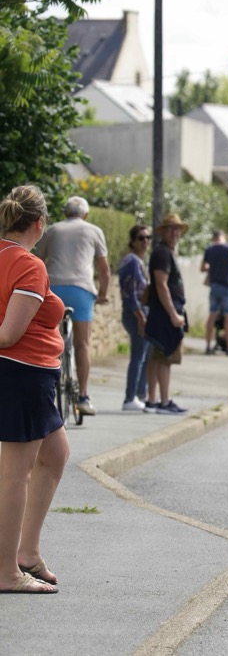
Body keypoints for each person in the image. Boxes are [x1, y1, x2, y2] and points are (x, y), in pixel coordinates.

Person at [0, 185, 70, 594]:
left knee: (55, 454)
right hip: (22, 374)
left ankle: (27, 553)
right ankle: (6, 571)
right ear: (40, 223)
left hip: (31, 377)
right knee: (15, 474)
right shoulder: (28, 265)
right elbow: (9, 334)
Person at [33, 195, 108, 417]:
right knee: (82, 344)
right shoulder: (94, 231)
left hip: (54, 289)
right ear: (86, 214)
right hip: (81, 290)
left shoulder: (52, 230)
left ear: (65, 213)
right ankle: (83, 397)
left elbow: (36, 261)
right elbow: (104, 270)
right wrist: (102, 294)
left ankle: (47, 393)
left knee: (50, 341)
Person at [144, 213, 191, 415]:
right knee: (166, 357)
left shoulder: (165, 252)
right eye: (171, 228)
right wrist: (173, 314)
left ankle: (152, 400)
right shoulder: (163, 253)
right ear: (163, 231)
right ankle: (164, 401)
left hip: (163, 312)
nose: (175, 232)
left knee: (158, 356)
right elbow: (161, 285)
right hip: (164, 314)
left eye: (177, 229)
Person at [117, 225, 152, 410]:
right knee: (138, 356)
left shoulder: (138, 261)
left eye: (148, 237)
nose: (145, 241)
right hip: (135, 314)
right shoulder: (131, 262)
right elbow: (130, 293)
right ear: (132, 241)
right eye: (141, 238)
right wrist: (140, 317)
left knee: (144, 355)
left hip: (140, 313)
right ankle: (130, 398)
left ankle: (139, 395)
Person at [201, 230, 228, 356]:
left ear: (214, 238)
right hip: (227, 286)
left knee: (212, 316)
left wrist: (213, 267)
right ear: (224, 237)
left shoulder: (209, 250)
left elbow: (203, 268)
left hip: (214, 286)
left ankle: (208, 346)